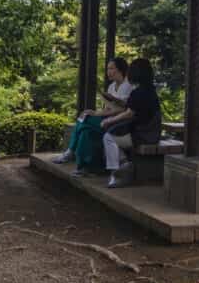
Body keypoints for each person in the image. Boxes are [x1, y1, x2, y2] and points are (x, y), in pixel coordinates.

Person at [52, 57, 132, 175]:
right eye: (107, 69)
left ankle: (71, 151)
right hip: (108, 118)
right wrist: (94, 112)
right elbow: (108, 109)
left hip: (119, 122)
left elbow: (123, 109)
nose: (108, 72)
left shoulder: (128, 86)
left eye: (111, 68)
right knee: (85, 128)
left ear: (120, 70)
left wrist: (96, 114)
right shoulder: (111, 86)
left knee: (85, 120)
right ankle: (83, 167)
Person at [100, 57, 162, 188]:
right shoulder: (150, 90)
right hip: (152, 132)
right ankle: (123, 164)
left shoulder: (138, 92)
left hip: (143, 135)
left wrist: (109, 120)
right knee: (112, 133)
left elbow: (129, 113)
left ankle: (117, 172)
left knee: (108, 137)